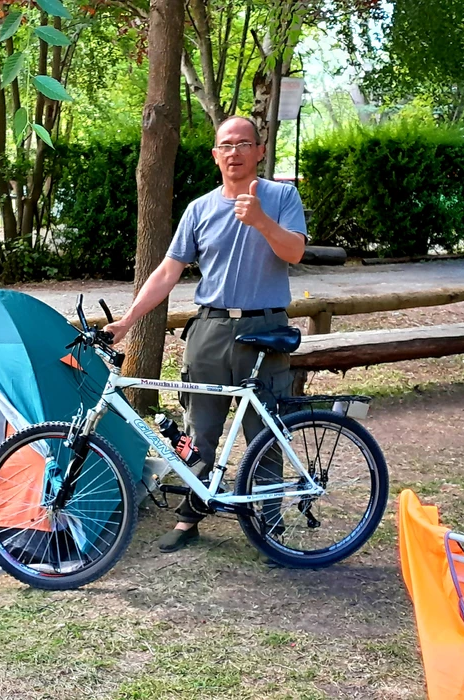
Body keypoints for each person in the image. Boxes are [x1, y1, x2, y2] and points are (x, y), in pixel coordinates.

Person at [103, 115, 307, 553]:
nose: (235, 152)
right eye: (226, 145)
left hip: (265, 326)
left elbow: (294, 251)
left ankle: (270, 524)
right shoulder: (199, 209)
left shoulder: (282, 197)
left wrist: (261, 221)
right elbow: (168, 271)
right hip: (210, 328)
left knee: (266, 432)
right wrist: (127, 320)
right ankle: (190, 516)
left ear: (259, 150)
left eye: (244, 144)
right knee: (198, 432)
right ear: (216, 155)